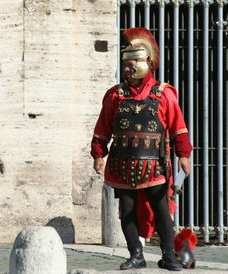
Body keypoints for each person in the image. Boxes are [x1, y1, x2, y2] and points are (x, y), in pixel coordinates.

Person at [90, 27, 192, 271]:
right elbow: (103, 128)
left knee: (162, 212)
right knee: (127, 212)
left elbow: (178, 127)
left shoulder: (164, 94)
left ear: (146, 61)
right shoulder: (115, 95)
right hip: (122, 163)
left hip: (154, 165)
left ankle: (169, 256)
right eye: (125, 63)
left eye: (132, 62)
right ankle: (136, 255)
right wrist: (98, 154)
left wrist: (184, 155)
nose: (127, 68)